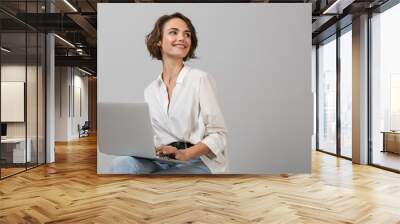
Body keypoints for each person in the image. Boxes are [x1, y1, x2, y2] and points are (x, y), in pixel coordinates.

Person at [111, 12, 228, 174]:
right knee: (121, 164)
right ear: (159, 41)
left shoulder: (200, 79)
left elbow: (219, 135)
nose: (182, 38)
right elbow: (154, 135)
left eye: (187, 34)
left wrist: (185, 153)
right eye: (174, 32)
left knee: (161, 180)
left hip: (195, 159)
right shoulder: (151, 90)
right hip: (162, 159)